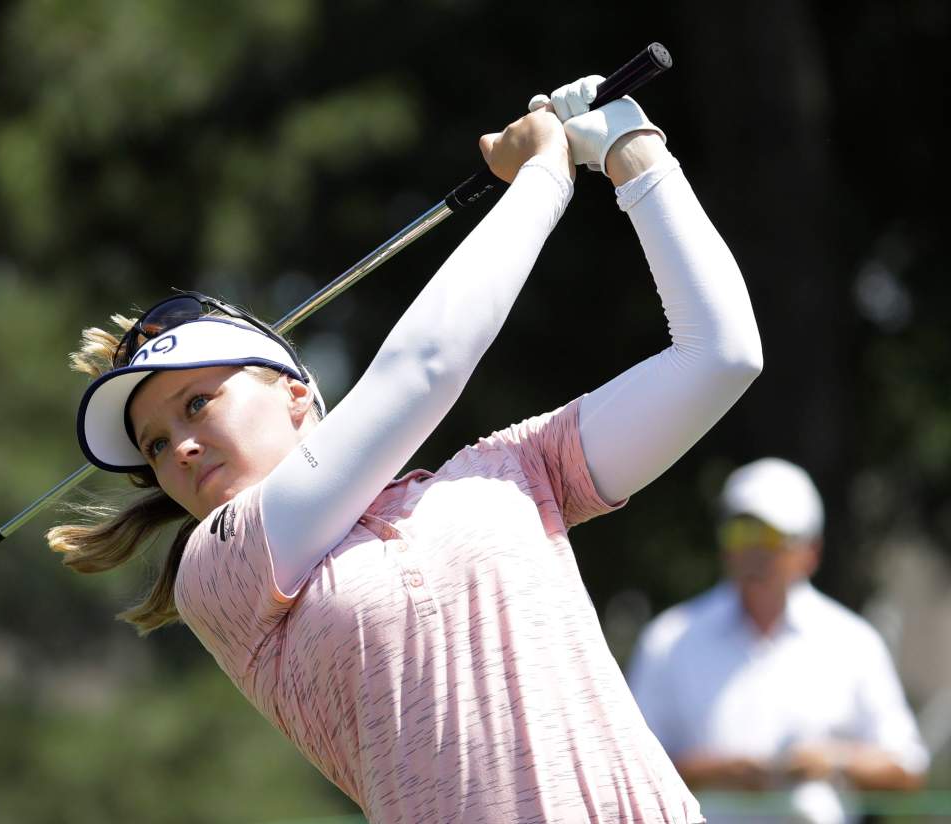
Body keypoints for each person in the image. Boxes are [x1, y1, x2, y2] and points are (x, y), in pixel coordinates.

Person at [50, 74, 763, 823]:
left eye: (198, 403)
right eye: (156, 444)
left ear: (296, 392)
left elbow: (719, 355)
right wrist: (545, 171)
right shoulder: (217, 570)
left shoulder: (511, 471)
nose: (181, 450)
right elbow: (424, 369)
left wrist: (628, 146)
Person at [627, 458, 929, 824]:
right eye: (741, 533)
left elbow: (908, 769)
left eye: (772, 537)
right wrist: (715, 771)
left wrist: (833, 762)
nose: (755, 552)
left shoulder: (854, 642)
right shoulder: (667, 639)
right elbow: (625, 767)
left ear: (810, 552)